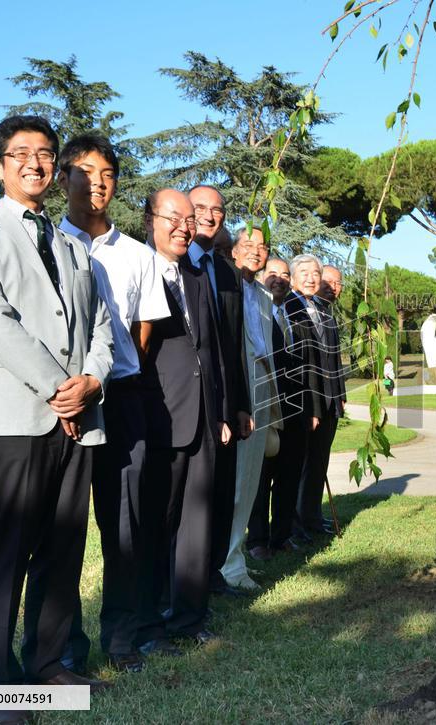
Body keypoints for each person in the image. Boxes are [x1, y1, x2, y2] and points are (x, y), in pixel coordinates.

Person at [0, 115, 115, 722]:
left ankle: (48, 665)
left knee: (65, 547)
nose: (35, 164)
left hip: (79, 417)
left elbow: (99, 325)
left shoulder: (73, 244)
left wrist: (91, 380)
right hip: (17, 417)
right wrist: (56, 388)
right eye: (20, 154)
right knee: (10, 547)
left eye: (45, 154)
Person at [57, 133, 171, 675]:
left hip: (122, 400)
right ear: (63, 178)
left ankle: (121, 640)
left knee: (124, 527)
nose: (96, 182)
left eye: (106, 173)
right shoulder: (45, 243)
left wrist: (106, 377)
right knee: (61, 528)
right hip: (59, 405)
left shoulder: (138, 256)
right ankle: (63, 649)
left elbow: (143, 332)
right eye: (84, 171)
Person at [136, 189, 230, 653]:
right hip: (158, 416)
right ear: (151, 220)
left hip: (205, 418)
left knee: (197, 521)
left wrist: (223, 411)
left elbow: (211, 352)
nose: (185, 226)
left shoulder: (196, 276)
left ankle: (191, 618)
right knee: (157, 521)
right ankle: (150, 622)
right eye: (174, 217)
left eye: (190, 219)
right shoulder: (136, 269)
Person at [187, 185, 251, 598]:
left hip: (228, 405)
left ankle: (213, 577)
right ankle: (185, 585)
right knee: (192, 502)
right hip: (188, 404)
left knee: (222, 497)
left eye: (218, 210)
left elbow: (234, 346)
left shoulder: (227, 273)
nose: (210, 216)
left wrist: (241, 406)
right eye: (200, 209)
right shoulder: (172, 265)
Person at [220, 228, 280, 591]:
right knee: (235, 481)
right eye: (249, 245)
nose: (256, 252)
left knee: (250, 479)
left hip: (260, 385)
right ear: (234, 250)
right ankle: (226, 566)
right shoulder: (224, 284)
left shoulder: (262, 294)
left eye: (263, 247)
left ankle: (234, 560)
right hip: (234, 387)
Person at [246, 256, 312, 558]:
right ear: (261, 277)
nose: (279, 279)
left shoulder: (295, 315)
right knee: (261, 477)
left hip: (296, 409)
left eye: (285, 275)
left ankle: (281, 535)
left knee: (288, 475)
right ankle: (257, 540)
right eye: (272, 273)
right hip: (266, 406)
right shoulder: (255, 313)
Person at [286, 254, 336, 537]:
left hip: (328, 401)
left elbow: (330, 360)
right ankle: (294, 526)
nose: (310, 277)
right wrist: (311, 407)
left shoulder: (322, 308)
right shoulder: (288, 308)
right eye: (304, 272)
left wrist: (336, 397)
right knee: (298, 465)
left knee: (318, 463)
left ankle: (312, 519)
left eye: (315, 272)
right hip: (304, 402)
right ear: (293, 278)